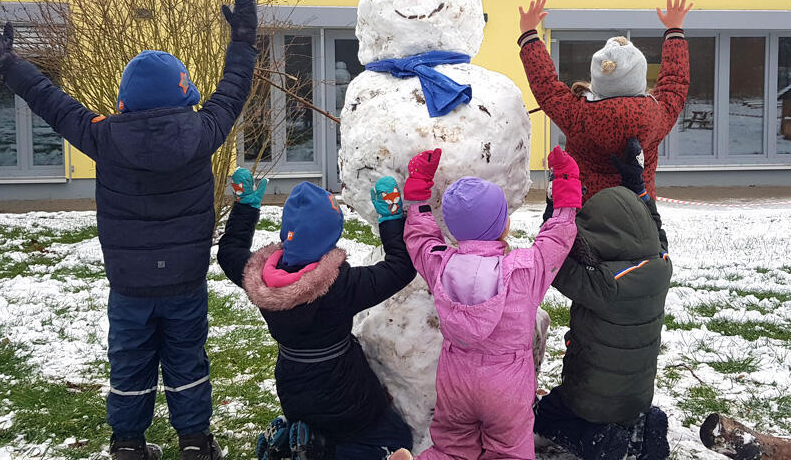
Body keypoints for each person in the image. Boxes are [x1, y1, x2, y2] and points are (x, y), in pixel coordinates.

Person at [0, 0, 259, 460]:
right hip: (185, 280)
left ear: (127, 98)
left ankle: (128, 444)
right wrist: (243, 39)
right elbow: (235, 85)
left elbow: (50, 100)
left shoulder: (104, 136)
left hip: (129, 285)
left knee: (130, 362)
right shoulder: (203, 131)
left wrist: (7, 63)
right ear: (181, 90)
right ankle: (195, 442)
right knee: (186, 357)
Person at [390, 146, 581, 460]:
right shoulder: (524, 270)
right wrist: (566, 182)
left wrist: (419, 189)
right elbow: (558, 237)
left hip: (456, 381)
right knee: (509, 451)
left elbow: (420, 237)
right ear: (503, 225)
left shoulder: (441, 265)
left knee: (451, 448)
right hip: (507, 387)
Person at [216, 172, 415, 460]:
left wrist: (245, 207)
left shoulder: (258, 276)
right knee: (394, 435)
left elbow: (228, 252)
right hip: (345, 391)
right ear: (331, 235)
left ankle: (295, 443)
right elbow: (400, 268)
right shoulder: (340, 286)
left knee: (319, 425)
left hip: (292, 385)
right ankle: (319, 452)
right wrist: (391, 219)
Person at [533, 138, 673, 460]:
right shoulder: (662, 265)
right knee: (628, 411)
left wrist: (554, 209)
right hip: (637, 396)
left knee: (548, 414)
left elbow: (554, 259)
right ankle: (645, 426)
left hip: (588, 397)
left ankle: (595, 440)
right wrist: (636, 183)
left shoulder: (603, 284)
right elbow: (655, 227)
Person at [517, 0, 692, 202]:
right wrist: (674, 32)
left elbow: (546, 86)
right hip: (639, 220)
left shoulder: (577, 114)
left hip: (588, 218)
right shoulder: (656, 116)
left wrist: (529, 36)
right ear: (640, 79)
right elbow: (675, 82)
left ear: (597, 77)